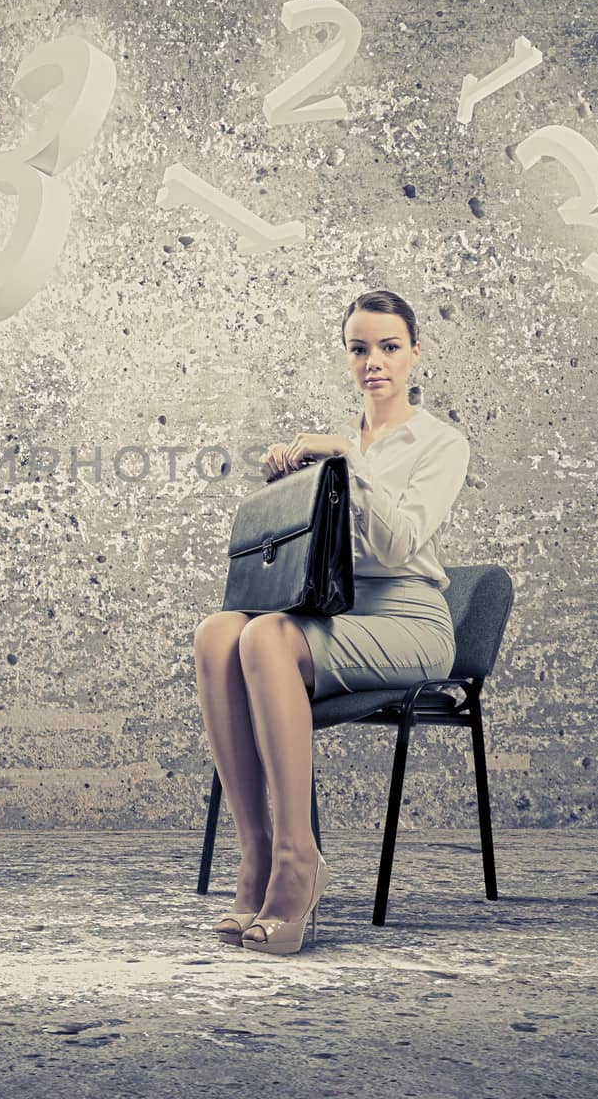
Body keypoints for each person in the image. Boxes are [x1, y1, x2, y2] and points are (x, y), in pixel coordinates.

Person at [193, 288, 472, 954]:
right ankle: (256, 855)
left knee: (265, 635)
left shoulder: (440, 443)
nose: (373, 361)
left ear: (414, 354)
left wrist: (347, 464)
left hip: (411, 622)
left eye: (388, 347)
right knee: (218, 632)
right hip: (338, 616)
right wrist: (289, 482)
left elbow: (401, 545)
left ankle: (298, 862)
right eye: (359, 348)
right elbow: (317, 556)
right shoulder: (339, 443)